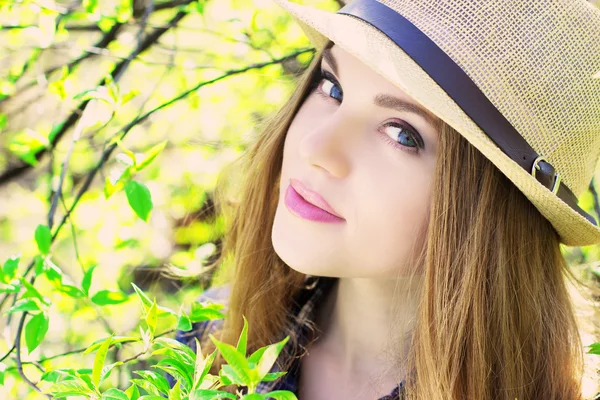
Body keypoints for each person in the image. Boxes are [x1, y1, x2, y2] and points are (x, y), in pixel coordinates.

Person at [168, 0, 600, 398]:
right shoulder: (201, 348)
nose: (316, 148)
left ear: (488, 213)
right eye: (332, 87)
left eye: (401, 133)